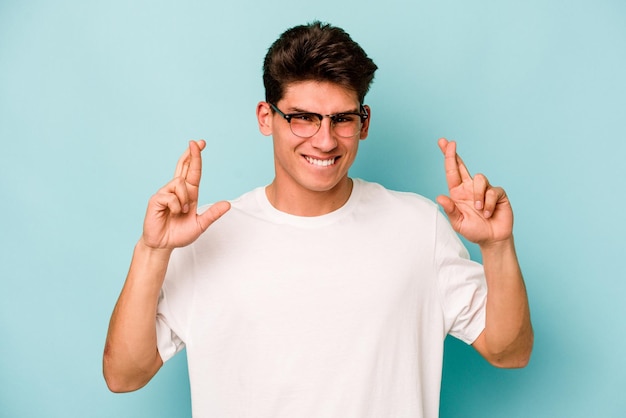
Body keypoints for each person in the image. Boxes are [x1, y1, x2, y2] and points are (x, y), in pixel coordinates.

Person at [103, 21, 533, 418]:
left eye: (341, 119)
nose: (324, 140)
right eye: (303, 118)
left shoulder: (420, 227)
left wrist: (496, 247)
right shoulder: (207, 237)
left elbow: (509, 351)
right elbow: (124, 375)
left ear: (363, 123)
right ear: (266, 118)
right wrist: (152, 250)